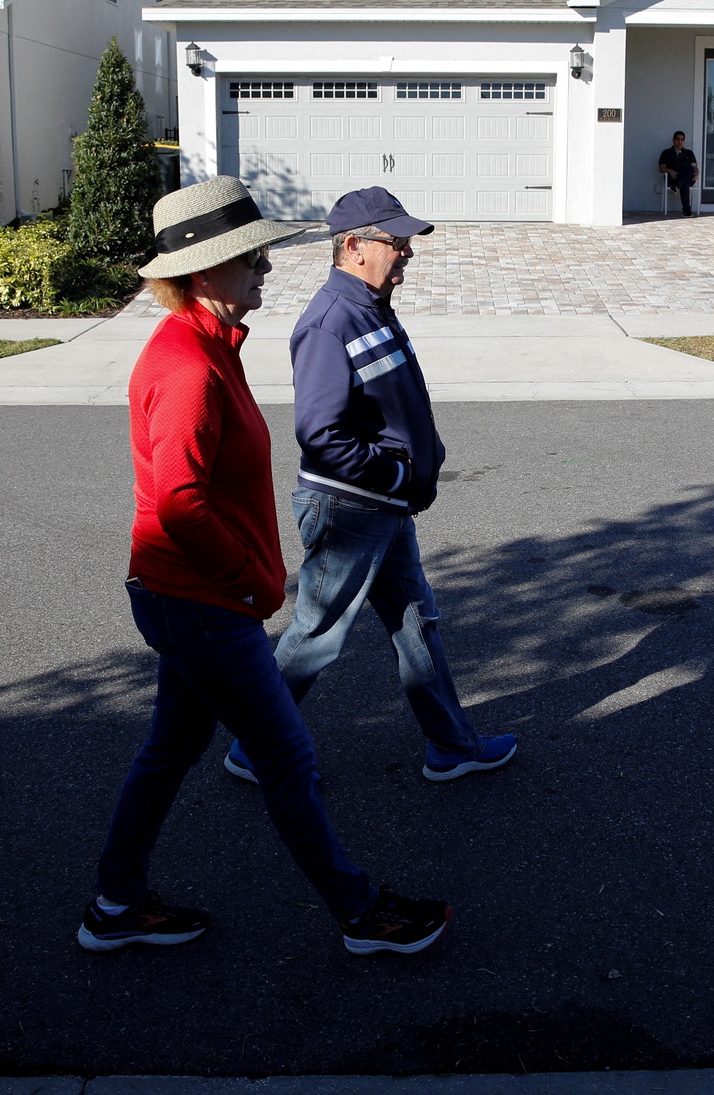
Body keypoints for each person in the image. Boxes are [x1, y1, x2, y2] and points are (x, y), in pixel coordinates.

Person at [80, 176, 450, 958]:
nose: (268, 270)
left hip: (188, 598)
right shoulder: (187, 365)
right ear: (204, 271)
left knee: (171, 749)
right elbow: (177, 504)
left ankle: (114, 902)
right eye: (252, 257)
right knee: (287, 758)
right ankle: (361, 914)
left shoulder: (210, 345)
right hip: (203, 601)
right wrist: (254, 582)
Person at [222, 186, 518, 787]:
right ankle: (254, 748)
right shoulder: (330, 322)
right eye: (396, 242)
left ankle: (451, 745)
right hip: (350, 509)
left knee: (415, 619)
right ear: (354, 247)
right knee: (317, 634)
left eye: (406, 241)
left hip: (381, 507)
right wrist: (399, 473)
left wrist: (418, 460)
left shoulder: (370, 305)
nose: (407, 252)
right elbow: (320, 433)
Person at [657, 131, 698, 217]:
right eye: (677, 139)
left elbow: (694, 167)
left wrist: (696, 174)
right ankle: (687, 211)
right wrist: (670, 171)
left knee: (689, 170)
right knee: (685, 183)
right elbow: (661, 167)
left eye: (682, 139)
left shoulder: (688, 153)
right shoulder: (666, 153)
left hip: (685, 179)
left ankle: (677, 185)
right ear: (673, 140)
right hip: (672, 178)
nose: (680, 141)